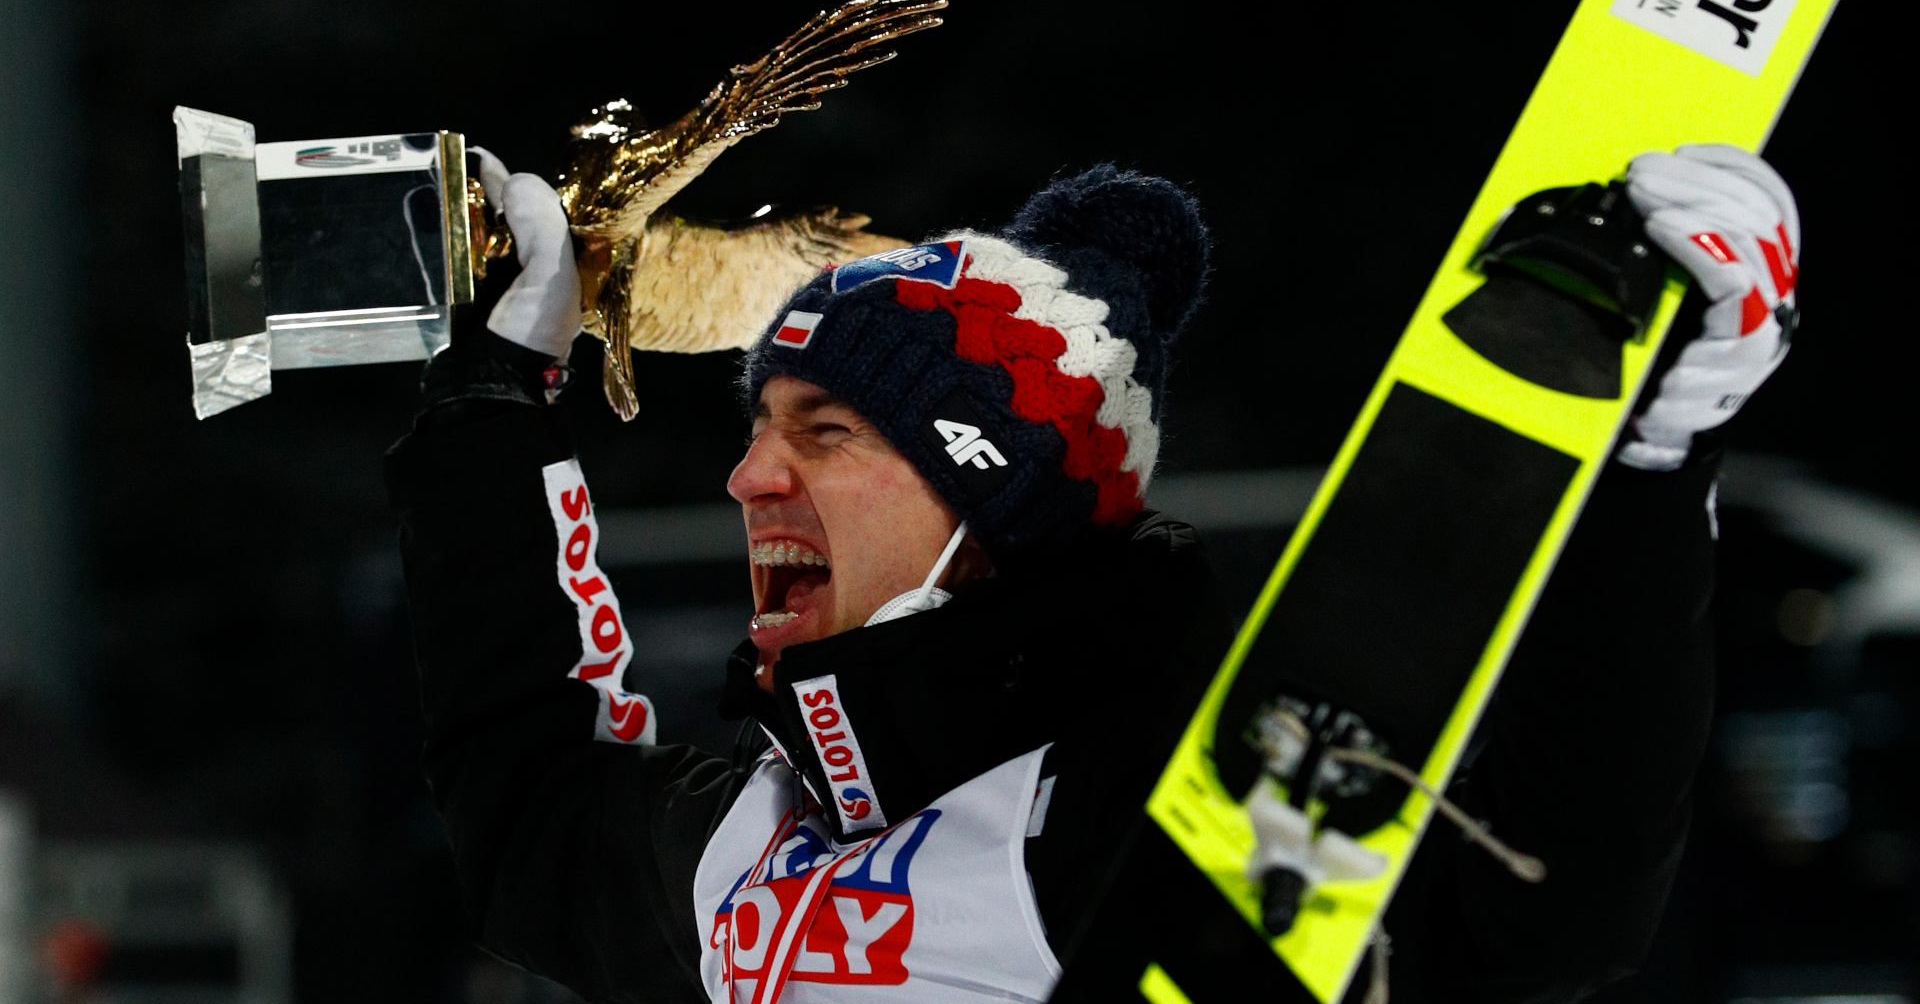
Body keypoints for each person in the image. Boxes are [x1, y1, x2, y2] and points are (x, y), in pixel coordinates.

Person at [385, 149, 1800, 1002]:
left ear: (987, 490)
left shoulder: (1142, 798)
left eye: (826, 431)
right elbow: (526, 799)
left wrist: (1647, 481)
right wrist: (493, 406)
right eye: (759, 428)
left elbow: (1543, 911)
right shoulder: (757, 836)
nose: (751, 478)